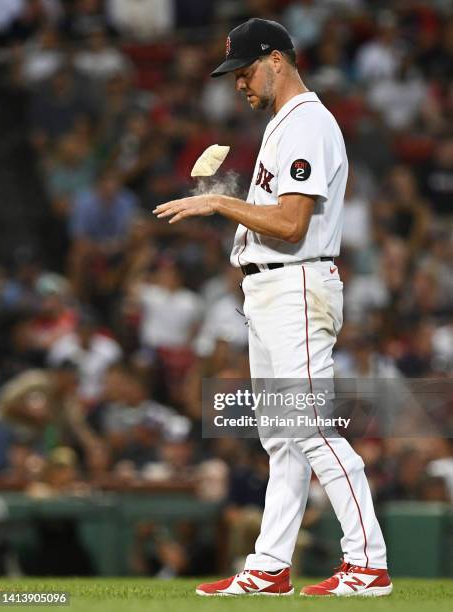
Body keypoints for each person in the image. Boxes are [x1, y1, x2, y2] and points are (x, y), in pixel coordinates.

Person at [154, 18, 392, 597]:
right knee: (283, 436)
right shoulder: (285, 124)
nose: (238, 83)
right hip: (270, 289)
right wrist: (228, 201)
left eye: (244, 70)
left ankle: (369, 562)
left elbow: (290, 224)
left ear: (277, 60)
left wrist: (218, 202)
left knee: (309, 429)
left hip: (296, 285)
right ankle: (270, 565)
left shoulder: (308, 121)